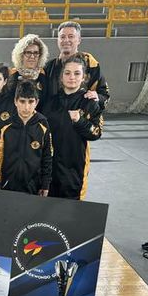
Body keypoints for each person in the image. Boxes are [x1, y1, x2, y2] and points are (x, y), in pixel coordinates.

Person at [41, 55, 103, 200]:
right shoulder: (50, 103)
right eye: (67, 73)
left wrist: (80, 121)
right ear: (61, 76)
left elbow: (96, 133)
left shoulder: (89, 103)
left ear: (84, 77)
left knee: (71, 210)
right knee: (47, 209)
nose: (72, 77)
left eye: (77, 73)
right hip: (50, 170)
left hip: (74, 169)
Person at [0, 80, 52, 196]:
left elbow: (47, 157)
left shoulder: (43, 124)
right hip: (8, 183)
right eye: (22, 101)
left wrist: (45, 185)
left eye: (31, 102)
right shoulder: (6, 125)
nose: (26, 107)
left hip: (33, 185)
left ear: (37, 102)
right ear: (15, 101)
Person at [43, 21, 110, 112]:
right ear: (57, 40)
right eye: (62, 37)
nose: (66, 40)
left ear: (79, 40)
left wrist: (97, 97)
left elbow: (104, 95)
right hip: (54, 118)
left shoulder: (90, 63)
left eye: (71, 36)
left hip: (82, 119)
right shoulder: (48, 67)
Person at [0, 34, 49, 101]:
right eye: (28, 52)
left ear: (40, 55)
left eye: (36, 53)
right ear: (21, 54)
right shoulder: (11, 74)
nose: (32, 56)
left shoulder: (44, 75)